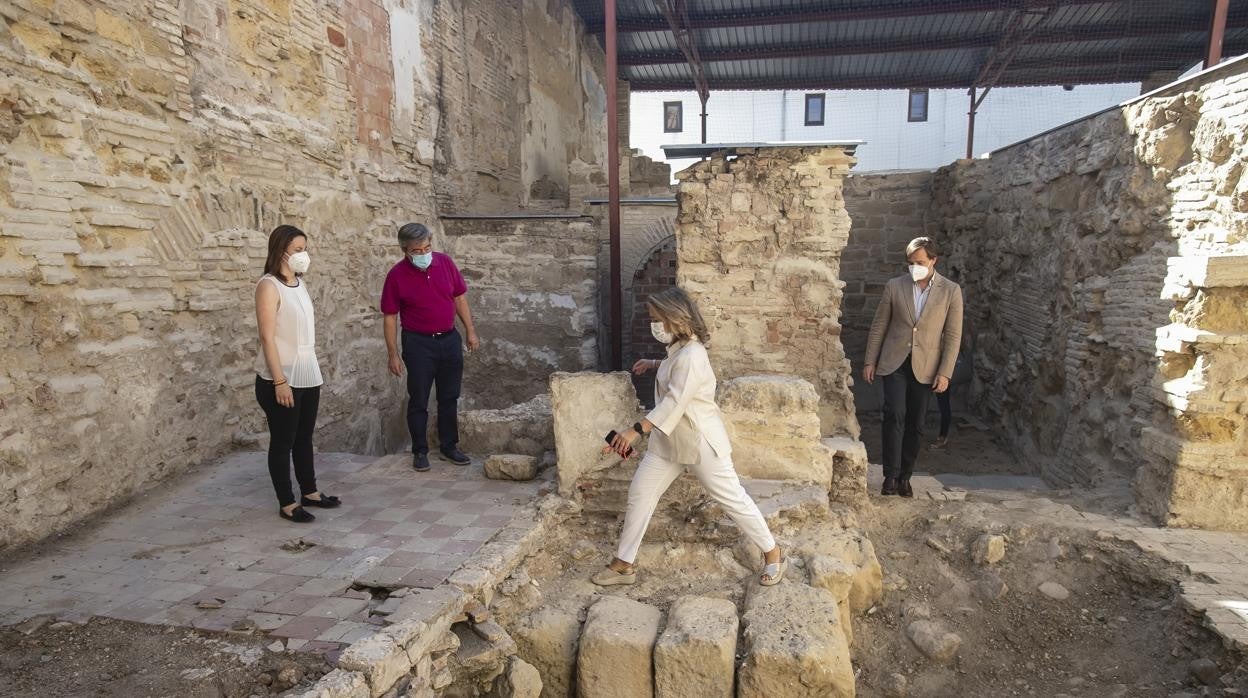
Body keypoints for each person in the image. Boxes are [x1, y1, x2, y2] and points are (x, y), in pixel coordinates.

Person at [596, 287, 786, 587]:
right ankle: (623, 564)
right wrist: (654, 364)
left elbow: (674, 401)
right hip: (668, 444)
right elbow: (676, 370)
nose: (654, 325)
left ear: (675, 319)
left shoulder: (693, 355)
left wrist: (635, 430)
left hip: (701, 444)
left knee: (733, 499)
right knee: (640, 493)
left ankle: (773, 553)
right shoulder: (680, 351)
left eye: (657, 319)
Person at [863, 237, 963, 497]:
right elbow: (879, 326)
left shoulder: (951, 291)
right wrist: (870, 360)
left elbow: (953, 336)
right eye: (910, 263)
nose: (914, 267)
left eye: (920, 262)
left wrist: (945, 372)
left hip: (927, 365)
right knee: (894, 414)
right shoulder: (894, 286)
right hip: (894, 361)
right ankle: (891, 476)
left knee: (916, 423)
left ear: (933, 261)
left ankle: (906, 475)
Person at [254, 225, 340, 522]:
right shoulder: (268, 286)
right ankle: (287, 502)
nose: (304, 255)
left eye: (305, 249)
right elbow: (267, 337)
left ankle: (310, 491)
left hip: (307, 372)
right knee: (283, 440)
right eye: (299, 250)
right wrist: (280, 381)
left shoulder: (299, 283)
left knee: (304, 436)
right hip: (281, 376)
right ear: (282, 251)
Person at [381, 223, 480, 472]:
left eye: (427, 247)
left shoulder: (444, 263)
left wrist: (470, 330)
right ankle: (420, 450)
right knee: (419, 398)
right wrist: (392, 354)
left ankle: (449, 446)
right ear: (405, 250)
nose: (424, 253)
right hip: (418, 343)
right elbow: (390, 317)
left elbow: (459, 297)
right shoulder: (396, 276)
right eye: (417, 250)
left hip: (449, 339)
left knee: (449, 396)